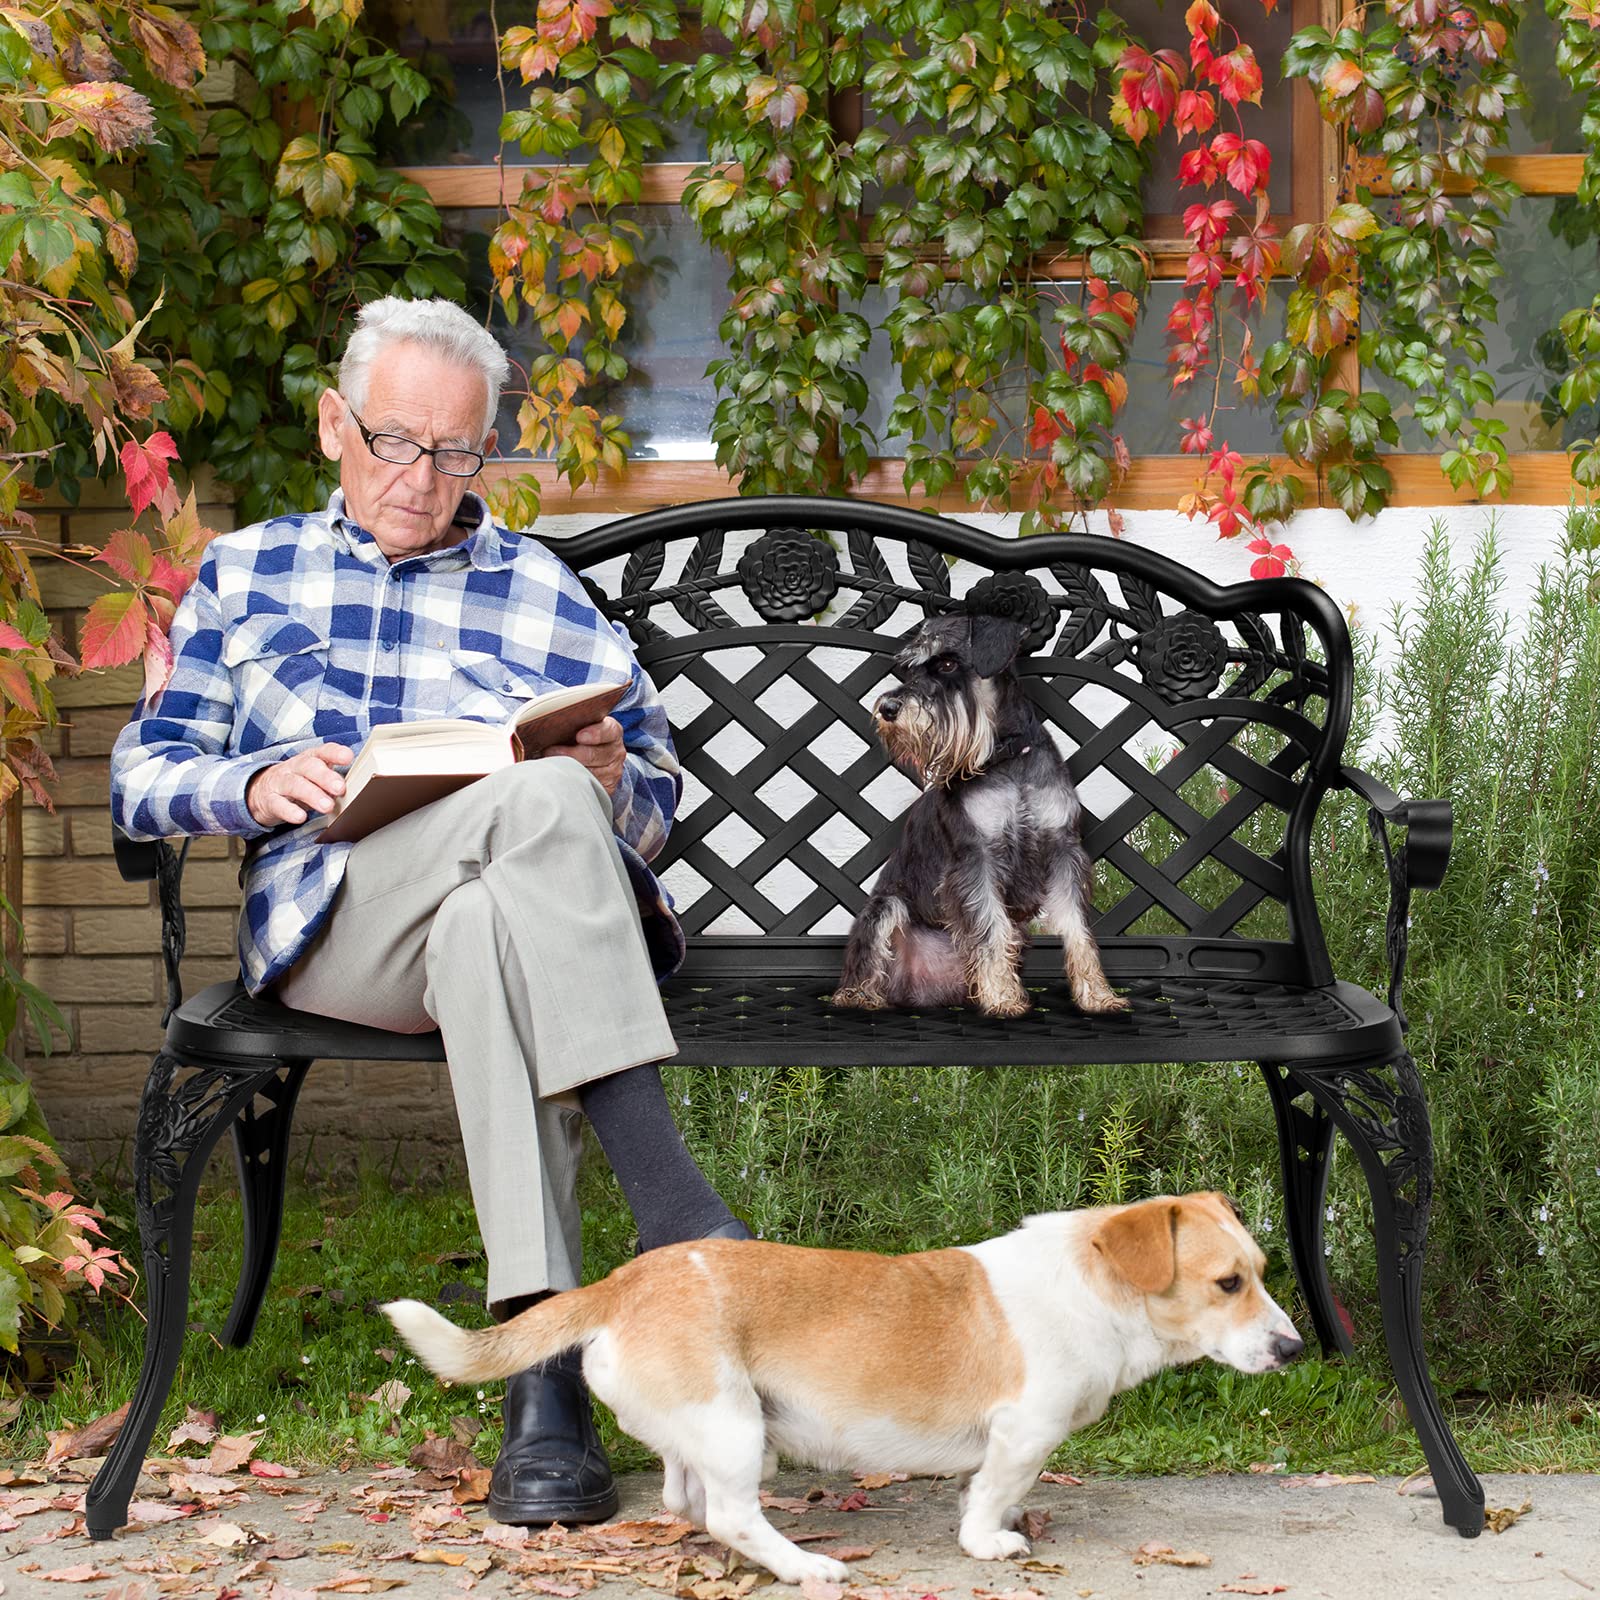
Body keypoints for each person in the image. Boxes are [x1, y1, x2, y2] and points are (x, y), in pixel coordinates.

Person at [110, 296, 749, 1526]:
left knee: (503, 901)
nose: (426, 478)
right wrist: (249, 782)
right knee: (545, 801)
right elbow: (143, 777)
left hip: (489, 926)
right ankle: (676, 1210)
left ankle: (542, 1379)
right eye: (399, 442)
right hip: (332, 924)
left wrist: (614, 788)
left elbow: (659, 801)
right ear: (334, 425)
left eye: (459, 451)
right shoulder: (245, 575)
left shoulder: (541, 587)